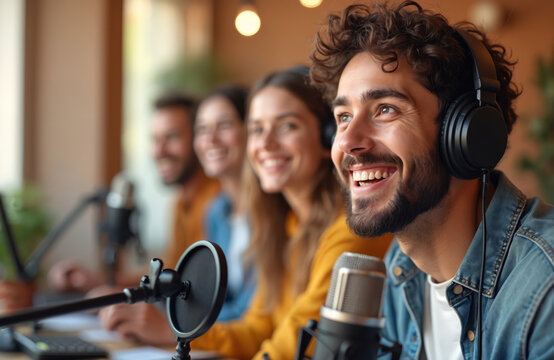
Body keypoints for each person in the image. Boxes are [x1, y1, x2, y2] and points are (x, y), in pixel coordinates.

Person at [310, 2, 554, 359]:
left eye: (385, 109)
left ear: (467, 136)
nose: (347, 141)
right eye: (343, 116)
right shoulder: (399, 273)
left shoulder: (545, 288)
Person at [190, 68, 392, 360]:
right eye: (257, 130)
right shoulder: (288, 226)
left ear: (328, 138)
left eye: (287, 126)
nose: (267, 144)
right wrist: (181, 335)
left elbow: (298, 343)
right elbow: (258, 328)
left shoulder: (352, 230)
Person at [49, 92, 220, 291]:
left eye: (171, 137)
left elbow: (200, 286)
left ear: (199, 139)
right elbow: (172, 275)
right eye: (155, 139)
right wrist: (96, 282)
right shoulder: (180, 202)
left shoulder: (219, 201)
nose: (159, 151)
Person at [193, 85, 255, 321]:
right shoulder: (216, 211)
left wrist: (178, 323)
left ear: (250, 130)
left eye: (224, 125)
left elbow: (249, 314)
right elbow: (212, 297)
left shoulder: (273, 211)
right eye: (202, 129)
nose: (210, 139)